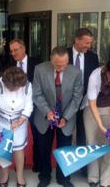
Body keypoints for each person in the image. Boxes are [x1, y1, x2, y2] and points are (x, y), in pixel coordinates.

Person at [33, 46, 83, 187]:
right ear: (51, 60)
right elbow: (36, 94)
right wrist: (47, 111)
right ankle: (44, 176)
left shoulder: (76, 72)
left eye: (64, 64)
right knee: (44, 148)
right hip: (45, 116)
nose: (61, 68)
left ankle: (63, 178)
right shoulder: (39, 70)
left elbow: (77, 97)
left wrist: (66, 117)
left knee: (64, 149)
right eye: (57, 65)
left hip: (66, 116)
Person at [84, 57, 110, 187]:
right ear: (105, 69)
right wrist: (101, 125)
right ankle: (93, 177)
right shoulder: (95, 75)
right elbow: (91, 102)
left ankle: (106, 180)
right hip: (92, 108)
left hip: (109, 107)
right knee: (92, 142)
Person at [0, 67, 33, 187]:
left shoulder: (27, 85)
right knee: (4, 149)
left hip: (20, 120)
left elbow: (29, 106)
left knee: (18, 149)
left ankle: (20, 176)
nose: (14, 90)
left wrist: (20, 121)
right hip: (2, 121)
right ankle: (5, 175)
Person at [9, 38, 39, 172]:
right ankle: (20, 163)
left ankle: (37, 163)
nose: (13, 53)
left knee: (37, 134)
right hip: (15, 107)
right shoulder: (9, 64)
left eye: (16, 50)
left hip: (34, 105)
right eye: (11, 51)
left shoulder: (36, 63)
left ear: (23, 48)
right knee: (17, 137)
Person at [67, 28, 99, 153]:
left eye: (90, 43)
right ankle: (66, 165)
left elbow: (95, 80)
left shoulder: (93, 57)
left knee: (83, 134)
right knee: (65, 135)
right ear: (77, 40)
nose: (89, 46)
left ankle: (83, 166)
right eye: (86, 42)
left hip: (85, 102)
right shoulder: (64, 54)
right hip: (66, 102)